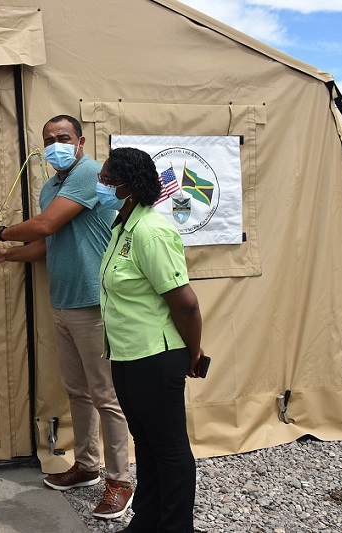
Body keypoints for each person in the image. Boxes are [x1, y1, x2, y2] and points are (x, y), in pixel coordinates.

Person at [0, 115, 133, 520]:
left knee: (106, 396)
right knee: (77, 392)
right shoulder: (51, 186)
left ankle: (119, 481)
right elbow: (49, 242)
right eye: (48, 140)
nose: (55, 145)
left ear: (81, 141)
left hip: (94, 303)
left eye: (63, 137)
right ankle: (86, 467)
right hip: (63, 301)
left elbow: (45, 224)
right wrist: (5, 256)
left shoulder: (88, 173)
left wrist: (1, 232)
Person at [97, 147, 205, 532]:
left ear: (130, 183)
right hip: (126, 355)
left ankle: (175, 526)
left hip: (157, 358)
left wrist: (193, 353)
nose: (102, 183)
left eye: (109, 177)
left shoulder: (151, 231)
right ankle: (149, 520)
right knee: (144, 440)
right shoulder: (122, 225)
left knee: (170, 448)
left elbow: (186, 306)